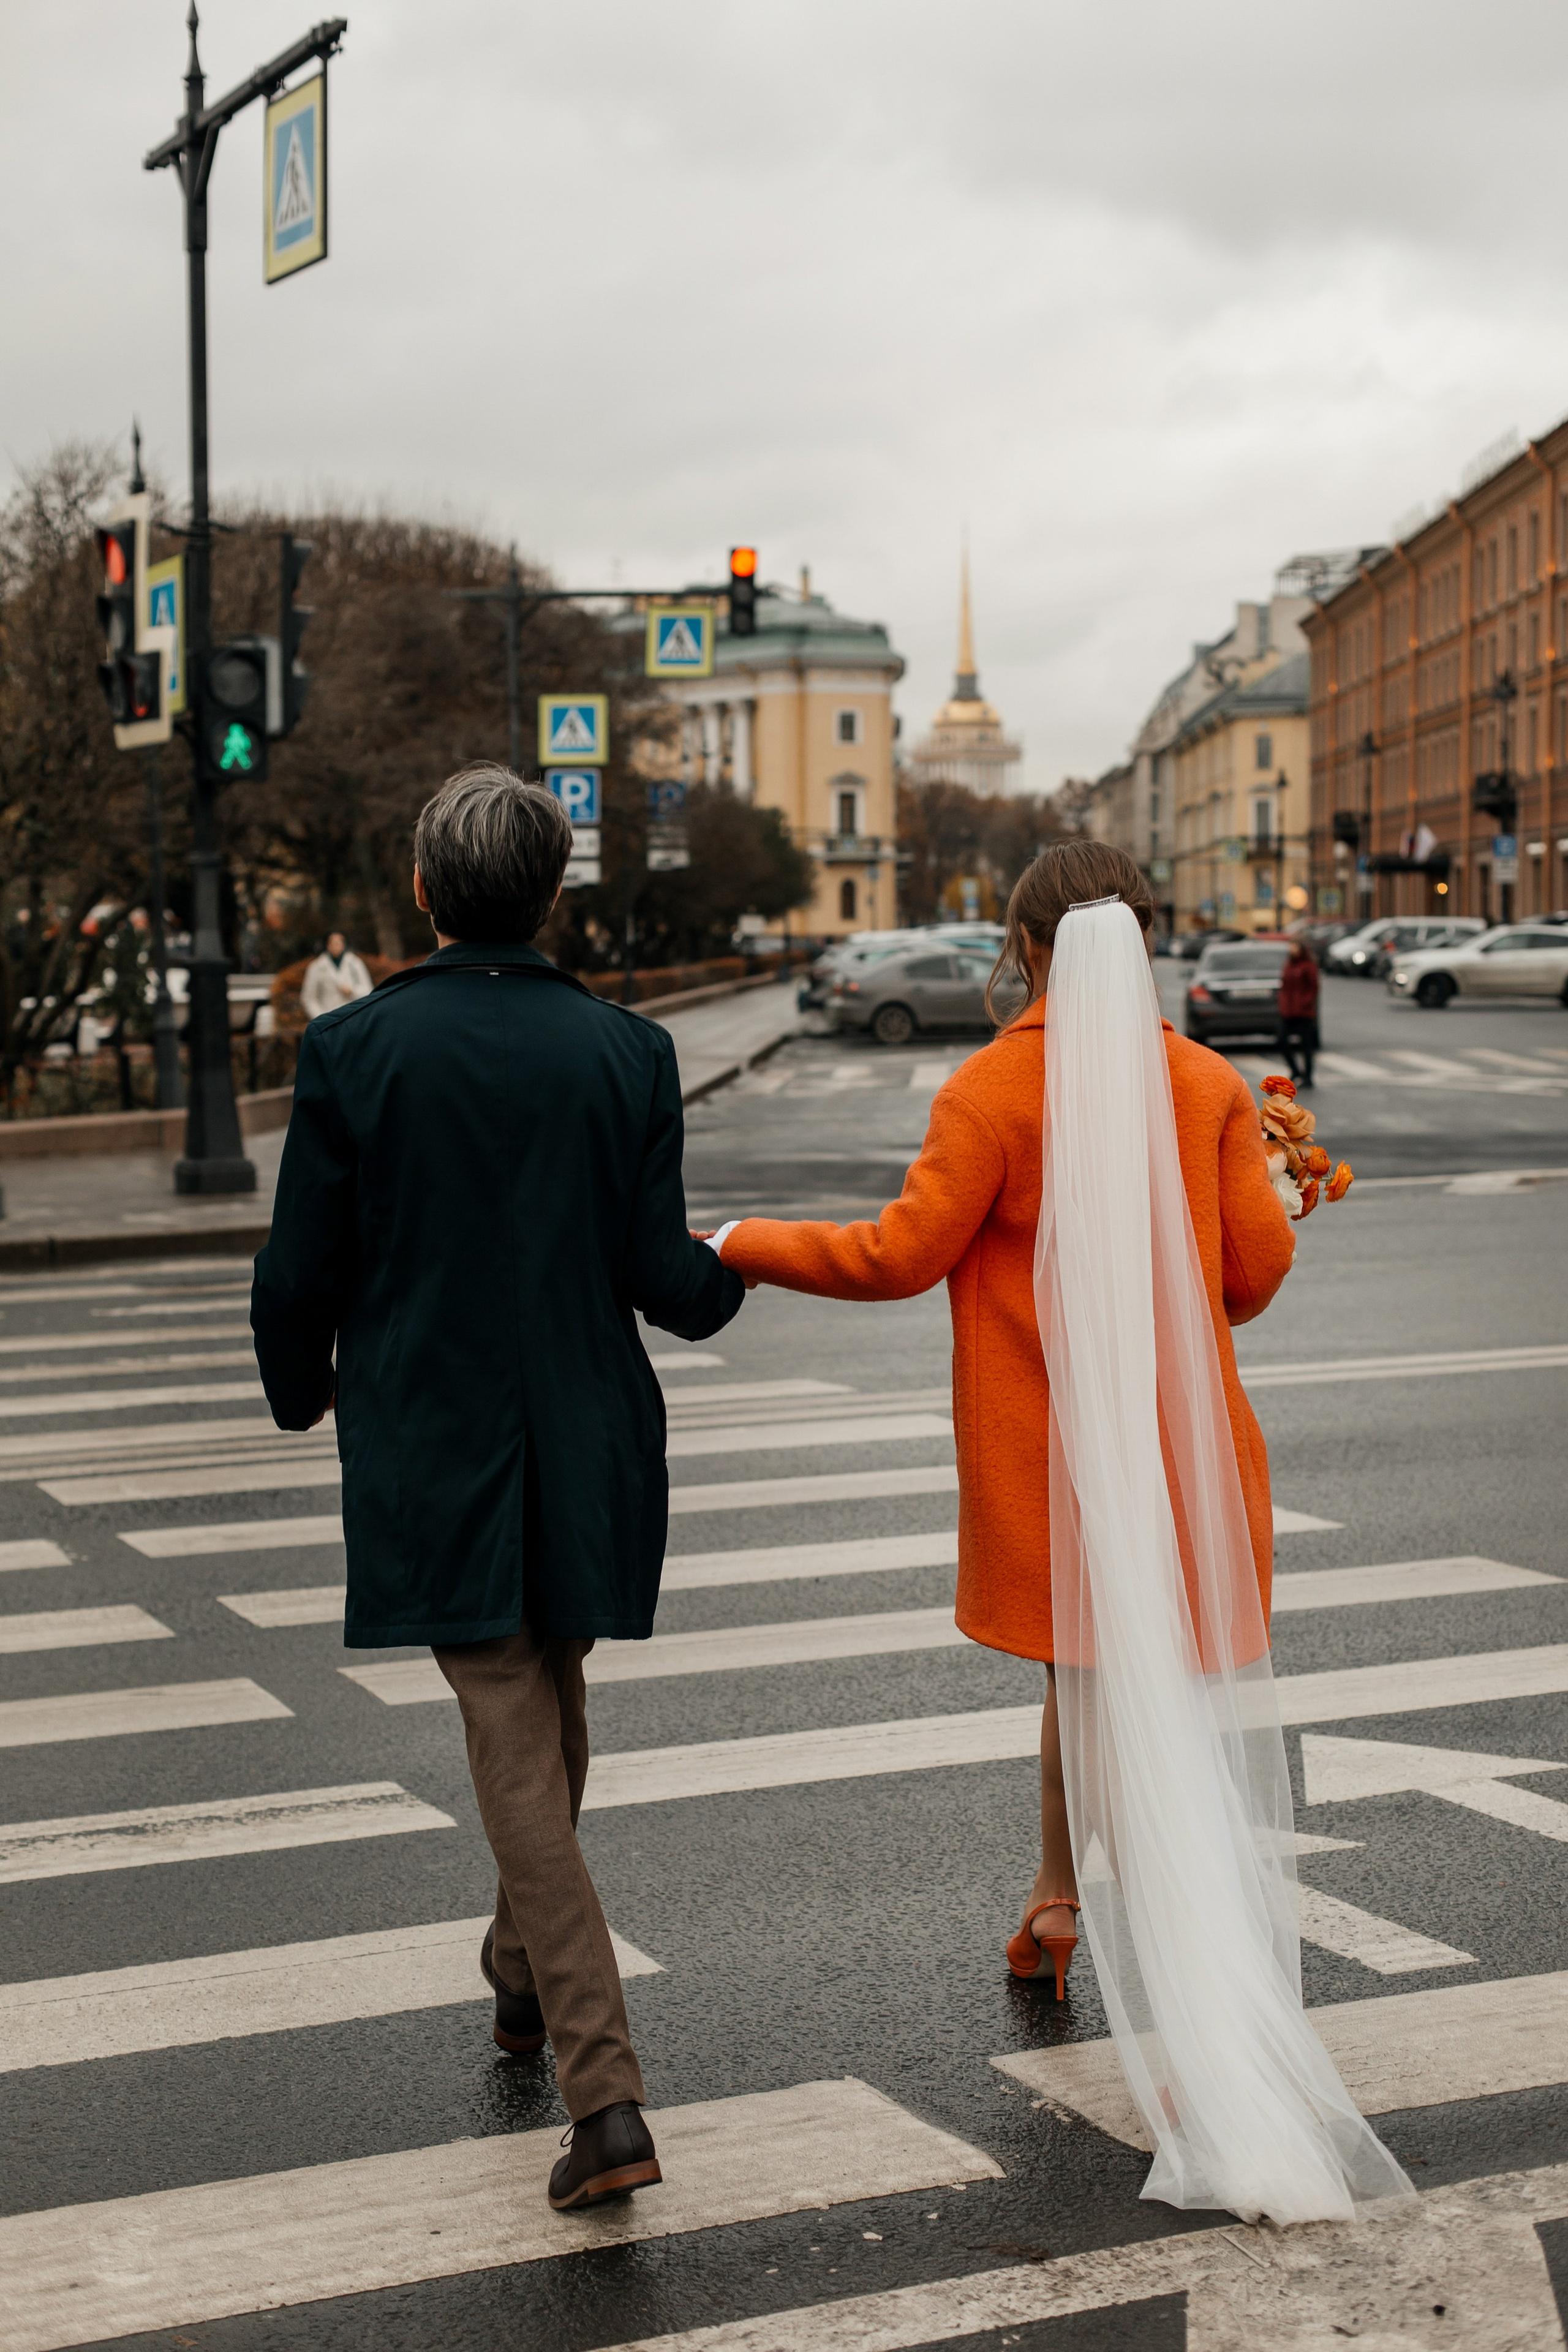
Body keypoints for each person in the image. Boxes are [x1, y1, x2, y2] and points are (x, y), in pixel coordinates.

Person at [707, 840, 1411, 2225]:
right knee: (1099, 1695)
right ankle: (1051, 1902)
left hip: (1055, 1479)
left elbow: (895, 1255)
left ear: (1022, 948)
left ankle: (1199, 2048)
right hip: (1183, 1469)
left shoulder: (989, 1089)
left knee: (1109, 1713)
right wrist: (1276, 1193)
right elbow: (1249, 1280)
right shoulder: (1204, 1081)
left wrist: (736, 1237)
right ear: (1136, 941)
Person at [252, 766, 743, 2212]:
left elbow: (300, 1270)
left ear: (420, 889)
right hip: (590, 1440)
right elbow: (667, 1275)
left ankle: (605, 2099)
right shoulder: (625, 1052)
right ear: (550, 893)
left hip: (435, 1444)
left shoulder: (351, 1049)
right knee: (548, 1712)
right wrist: (747, 1264)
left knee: (523, 1745)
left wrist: (303, 1387)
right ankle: (516, 1976)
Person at [300, 931, 374, 1020]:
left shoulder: (355, 963)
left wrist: (352, 991)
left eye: (340, 943)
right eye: (334, 943)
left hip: (355, 1017)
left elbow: (368, 991)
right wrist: (321, 1018)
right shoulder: (316, 967)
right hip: (330, 1019)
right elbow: (308, 998)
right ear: (328, 945)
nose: (337, 946)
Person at [1277, 937, 1321, 1087]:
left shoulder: (1308, 966)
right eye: (1291, 946)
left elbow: (1314, 988)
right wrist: (1283, 1003)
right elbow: (1284, 986)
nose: (1292, 949)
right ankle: (1295, 1071)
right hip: (1288, 1011)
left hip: (1303, 1012)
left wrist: (1305, 1003)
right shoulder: (1288, 965)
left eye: (1295, 946)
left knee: (1306, 1045)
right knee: (1281, 1040)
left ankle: (1308, 1077)